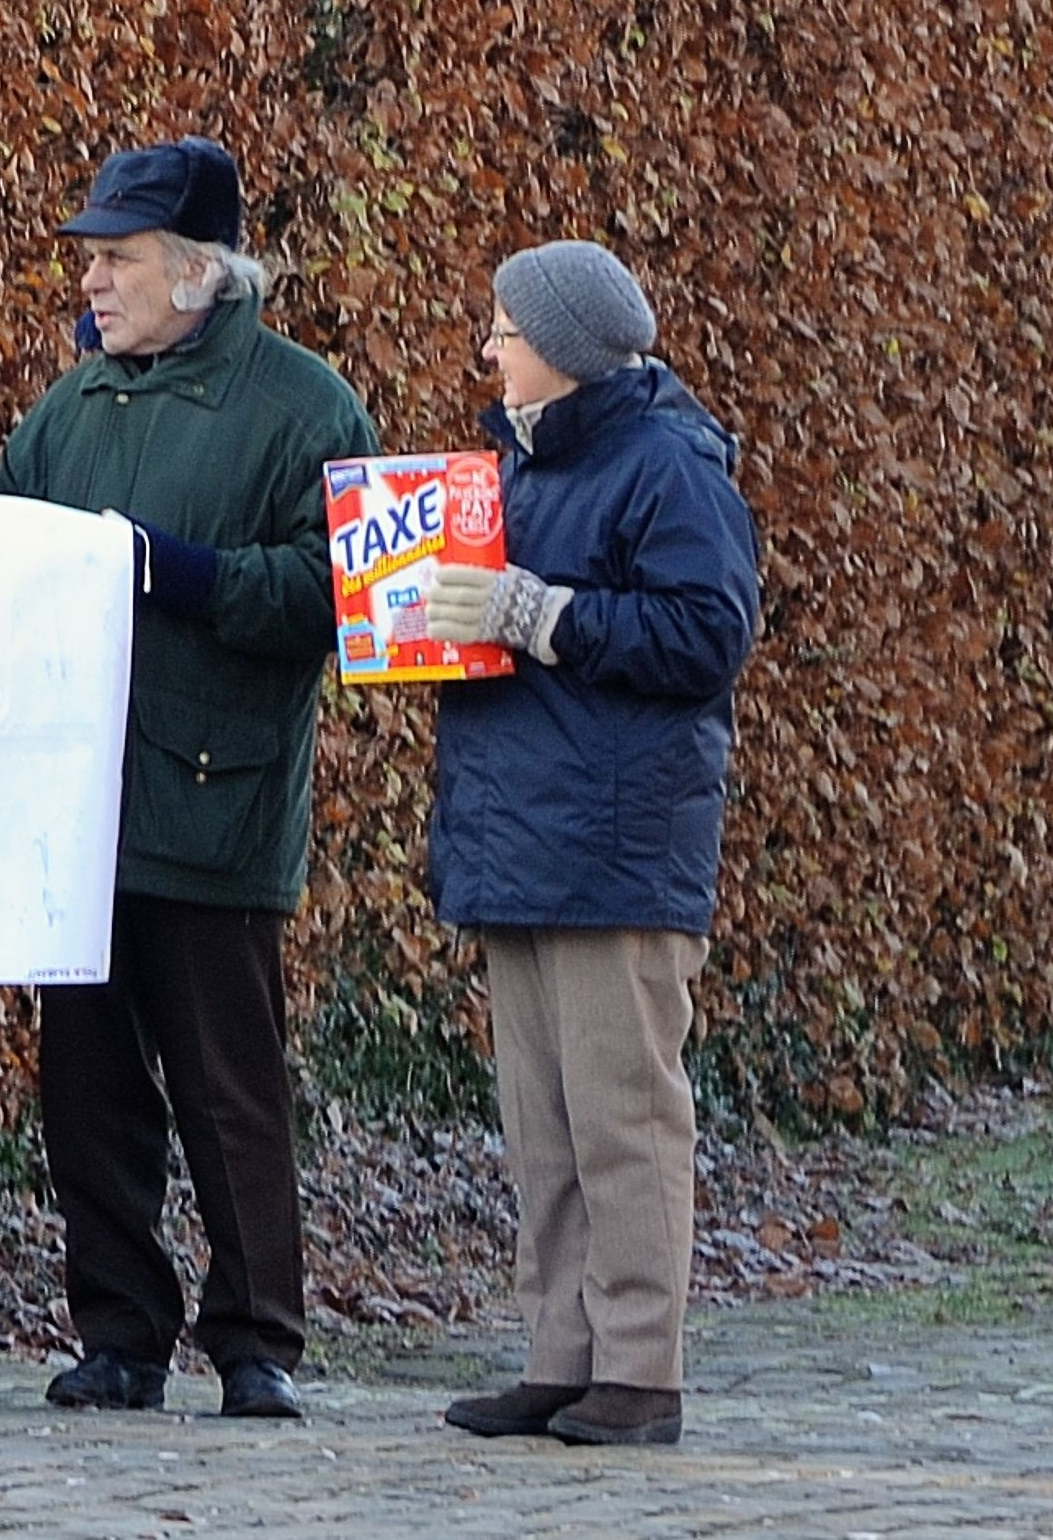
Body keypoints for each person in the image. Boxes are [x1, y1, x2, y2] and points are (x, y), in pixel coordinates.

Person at [0, 137, 376, 1420]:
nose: (92, 281)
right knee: (86, 1093)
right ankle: (119, 1333)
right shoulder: (70, 407)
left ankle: (259, 1340)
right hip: (77, 812)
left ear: (199, 270)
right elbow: (1, 555)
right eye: (91, 259)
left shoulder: (306, 408)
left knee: (231, 1091)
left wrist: (189, 573)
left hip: (216, 800)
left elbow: (345, 593)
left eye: (119, 259)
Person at [425, 241, 759, 1449]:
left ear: (563, 349)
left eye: (506, 329)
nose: (489, 347)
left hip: (615, 847)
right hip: (522, 837)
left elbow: (708, 633)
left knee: (622, 1117)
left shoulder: (668, 461)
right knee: (545, 1123)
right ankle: (562, 1354)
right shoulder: (513, 469)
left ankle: (638, 1366)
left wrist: (539, 612)